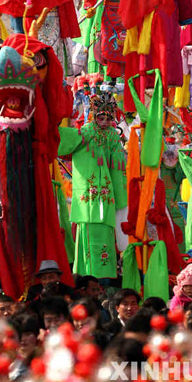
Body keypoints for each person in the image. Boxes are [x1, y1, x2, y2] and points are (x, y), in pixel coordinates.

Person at [57, 93, 127, 279]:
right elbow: (61, 142)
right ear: (93, 115)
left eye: (108, 118)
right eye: (100, 117)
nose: (104, 122)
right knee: (87, 234)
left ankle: (105, 277)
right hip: (87, 198)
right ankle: (86, 278)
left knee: (105, 233)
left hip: (106, 195)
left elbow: (118, 169)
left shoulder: (113, 137)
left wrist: (121, 201)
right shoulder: (85, 132)